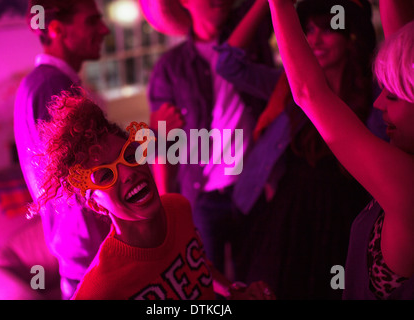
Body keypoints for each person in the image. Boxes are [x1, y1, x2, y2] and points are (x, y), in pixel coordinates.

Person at [31, 89, 275, 300]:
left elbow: (199, 267)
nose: (129, 173)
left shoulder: (178, 209)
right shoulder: (102, 288)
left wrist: (235, 292)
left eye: (129, 155)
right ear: (95, 202)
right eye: (105, 175)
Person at [215, 0, 386, 299]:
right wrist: (265, 3)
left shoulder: (372, 93)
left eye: (328, 30)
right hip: (289, 211)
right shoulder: (287, 86)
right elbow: (228, 63)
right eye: (307, 30)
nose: (316, 39)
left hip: (346, 212)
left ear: (350, 38)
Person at [267, 0, 414, 299]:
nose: (379, 103)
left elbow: (309, 93)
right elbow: (405, 49)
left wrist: (279, 5)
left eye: (394, 97)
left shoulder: (407, 184)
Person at [141, 0, 275, 281]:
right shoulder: (170, 67)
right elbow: (162, 143)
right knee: (204, 282)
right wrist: (166, 212)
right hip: (201, 197)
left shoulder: (251, 42)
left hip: (252, 189)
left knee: (257, 280)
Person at [14, 0, 111, 299]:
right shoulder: (53, 88)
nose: (104, 29)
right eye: (91, 21)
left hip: (79, 254)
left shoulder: (39, 83)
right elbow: (89, 174)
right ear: (56, 29)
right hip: (89, 258)